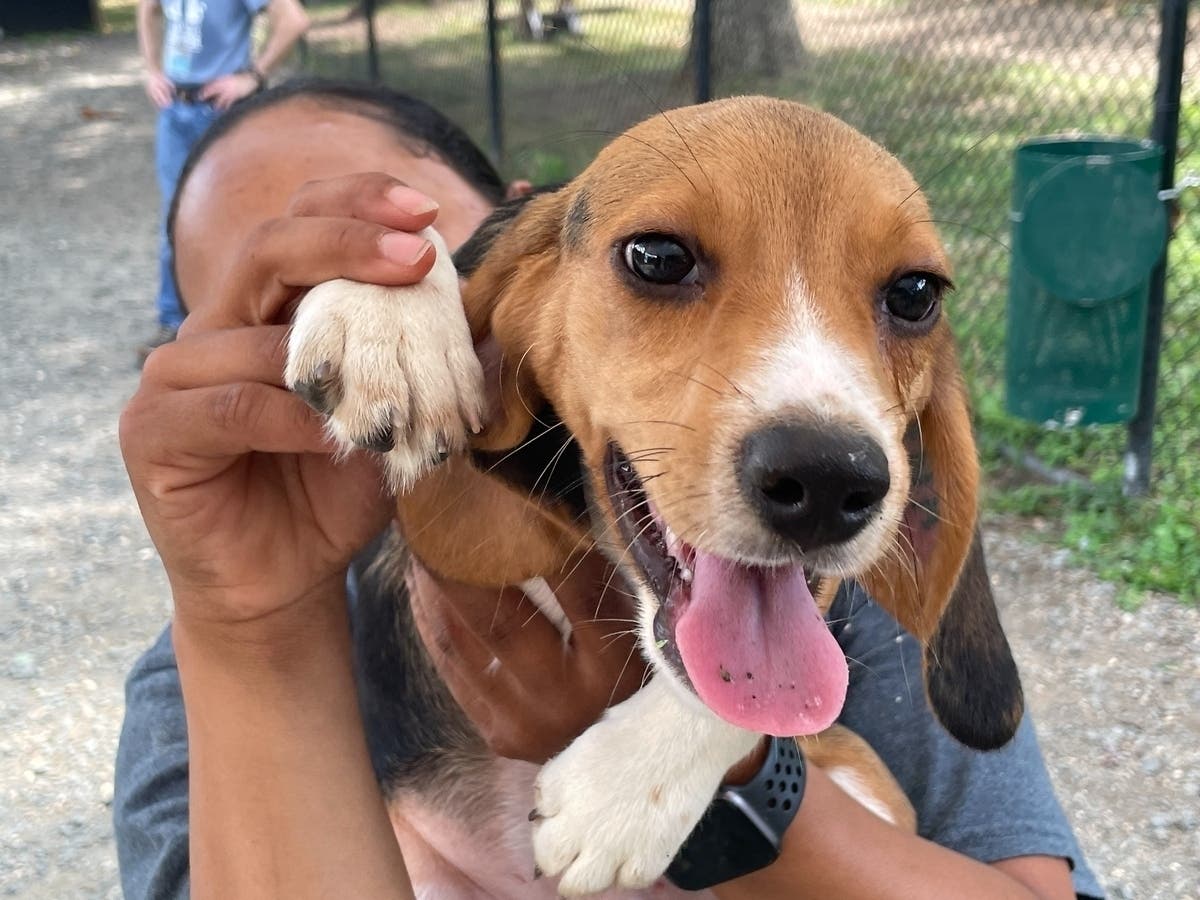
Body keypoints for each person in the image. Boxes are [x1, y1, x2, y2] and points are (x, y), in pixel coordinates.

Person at [115, 79, 1105, 899]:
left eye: (377, 242)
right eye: (274, 308)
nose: (326, 329)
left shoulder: (827, 535)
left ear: (513, 260)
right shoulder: (194, 672)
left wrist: (736, 768)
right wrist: (250, 627)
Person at [135, 0, 309, 364]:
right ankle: (175, 323)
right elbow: (146, 8)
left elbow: (293, 20)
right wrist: (151, 69)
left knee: (234, 219)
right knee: (174, 220)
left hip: (220, 111)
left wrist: (253, 76)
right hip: (175, 110)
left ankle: (239, 324)